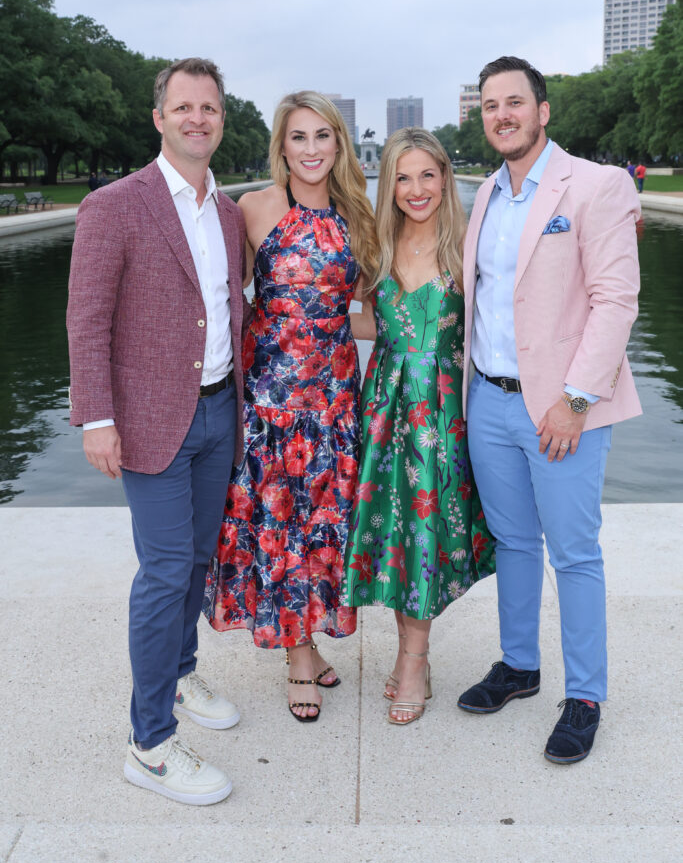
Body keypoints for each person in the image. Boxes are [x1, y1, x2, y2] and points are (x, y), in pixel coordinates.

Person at [67, 57, 250, 805]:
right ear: (159, 118)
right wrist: (98, 418)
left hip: (217, 409)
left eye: (208, 108)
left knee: (199, 562)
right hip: (146, 419)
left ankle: (178, 675)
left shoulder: (230, 212)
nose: (197, 119)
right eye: (184, 107)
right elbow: (87, 319)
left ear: (219, 118)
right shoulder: (115, 205)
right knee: (166, 571)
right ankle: (149, 746)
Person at [458, 56, 641, 763]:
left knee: (573, 554)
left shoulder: (595, 186)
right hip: (490, 402)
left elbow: (615, 301)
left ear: (542, 111)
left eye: (513, 102)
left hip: (561, 410)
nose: (500, 114)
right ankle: (519, 666)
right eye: (489, 105)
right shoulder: (485, 197)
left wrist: (573, 402)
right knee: (512, 544)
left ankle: (585, 695)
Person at [204, 90, 378, 722]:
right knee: (284, 519)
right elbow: (219, 292)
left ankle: (307, 632)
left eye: (322, 136)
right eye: (298, 137)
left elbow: (358, 314)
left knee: (324, 519)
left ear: (339, 144)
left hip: (333, 396)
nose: (311, 149)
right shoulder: (253, 209)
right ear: (282, 145)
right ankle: (298, 654)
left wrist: (411, 332)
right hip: (272, 397)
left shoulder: (359, 214)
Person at [343, 128, 496, 726]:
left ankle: (414, 660)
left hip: (443, 415)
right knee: (391, 534)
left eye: (426, 175)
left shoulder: (470, 248)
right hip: (383, 407)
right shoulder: (373, 246)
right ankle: (413, 657)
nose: (415, 189)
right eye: (402, 177)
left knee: (427, 536)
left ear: (445, 176)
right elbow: (359, 322)